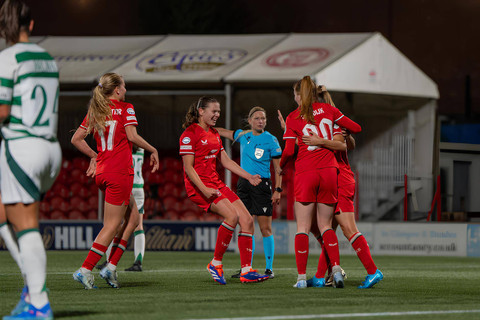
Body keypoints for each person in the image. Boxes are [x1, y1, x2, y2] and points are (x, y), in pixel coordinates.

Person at [0, 0, 62, 318]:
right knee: (5, 215)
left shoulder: (6, 58)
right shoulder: (48, 59)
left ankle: (37, 301)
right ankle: (32, 292)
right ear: (32, 25)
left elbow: (3, 111)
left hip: (22, 147)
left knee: (26, 225)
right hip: (50, 148)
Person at [71, 72, 159, 290]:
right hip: (119, 172)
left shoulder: (97, 110)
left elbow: (76, 139)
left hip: (103, 172)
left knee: (134, 216)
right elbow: (132, 136)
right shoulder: (126, 107)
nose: (126, 90)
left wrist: (94, 156)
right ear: (117, 89)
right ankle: (85, 269)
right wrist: (152, 149)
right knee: (112, 225)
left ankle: (110, 267)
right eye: (124, 87)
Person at [279, 76, 361, 289]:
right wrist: (342, 129)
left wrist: (281, 165)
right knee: (326, 225)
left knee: (303, 228)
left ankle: (300, 279)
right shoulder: (329, 110)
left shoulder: (293, 116)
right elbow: (356, 128)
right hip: (329, 172)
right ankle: (335, 269)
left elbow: (288, 151)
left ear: (298, 95)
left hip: (306, 171)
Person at [179, 96, 269, 285]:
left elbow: (226, 161)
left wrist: (249, 176)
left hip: (216, 183)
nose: (217, 115)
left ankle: (246, 271)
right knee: (232, 217)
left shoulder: (214, 134)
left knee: (246, 219)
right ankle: (216, 264)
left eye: (219, 111)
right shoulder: (189, 134)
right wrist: (203, 189)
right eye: (214, 111)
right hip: (199, 186)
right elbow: (188, 168)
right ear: (201, 111)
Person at [300, 88, 383, 289]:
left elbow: (347, 144)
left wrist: (322, 140)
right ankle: (320, 276)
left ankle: (373, 271)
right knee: (325, 227)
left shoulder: (329, 121)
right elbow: (349, 142)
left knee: (347, 228)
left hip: (340, 178)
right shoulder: (326, 121)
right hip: (332, 177)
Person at [216, 106, 282, 279]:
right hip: (244, 184)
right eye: (258, 118)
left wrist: (278, 190)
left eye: (264, 118)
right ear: (250, 120)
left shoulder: (272, 140)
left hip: (262, 185)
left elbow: (278, 169)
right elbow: (223, 132)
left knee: (265, 227)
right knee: (245, 225)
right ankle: (246, 267)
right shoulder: (242, 135)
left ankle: (269, 268)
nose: (261, 121)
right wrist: (204, 128)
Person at [125, 145, 146, 272]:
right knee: (139, 226)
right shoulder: (140, 149)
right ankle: (138, 262)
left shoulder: (123, 147)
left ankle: (109, 261)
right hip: (139, 187)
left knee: (115, 224)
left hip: (126, 186)